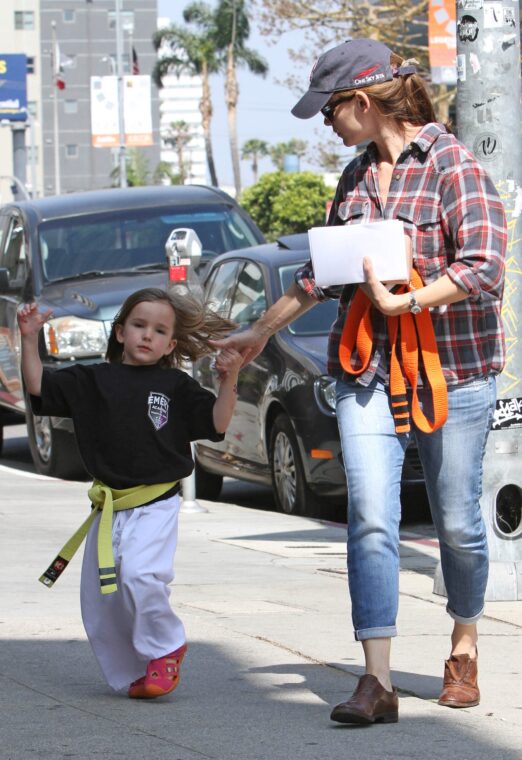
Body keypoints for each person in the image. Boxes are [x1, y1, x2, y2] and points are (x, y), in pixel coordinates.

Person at [211, 38, 506, 724]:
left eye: (329, 111)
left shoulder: (454, 167)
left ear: (362, 103)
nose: (325, 123)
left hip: (452, 370)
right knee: (371, 515)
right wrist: (257, 332)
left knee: (458, 524)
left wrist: (411, 299)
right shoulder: (354, 179)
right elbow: (321, 275)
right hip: (367, 369)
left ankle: (462, 645)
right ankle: (376, 680)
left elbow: (486, 265)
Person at [18, 287, 243, 699]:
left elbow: (216, 422)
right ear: (120, 331)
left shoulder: (174, 386)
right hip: (109, 509)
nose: (147, 336)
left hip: (155, 502)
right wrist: (29, 337)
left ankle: (166, 648)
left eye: (159, 331)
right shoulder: (92, 380)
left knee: (140, 575)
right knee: (101, 603)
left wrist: (229, 383)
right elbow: (38, 389)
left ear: (171, 344)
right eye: (139, 326)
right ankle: (138, 671)